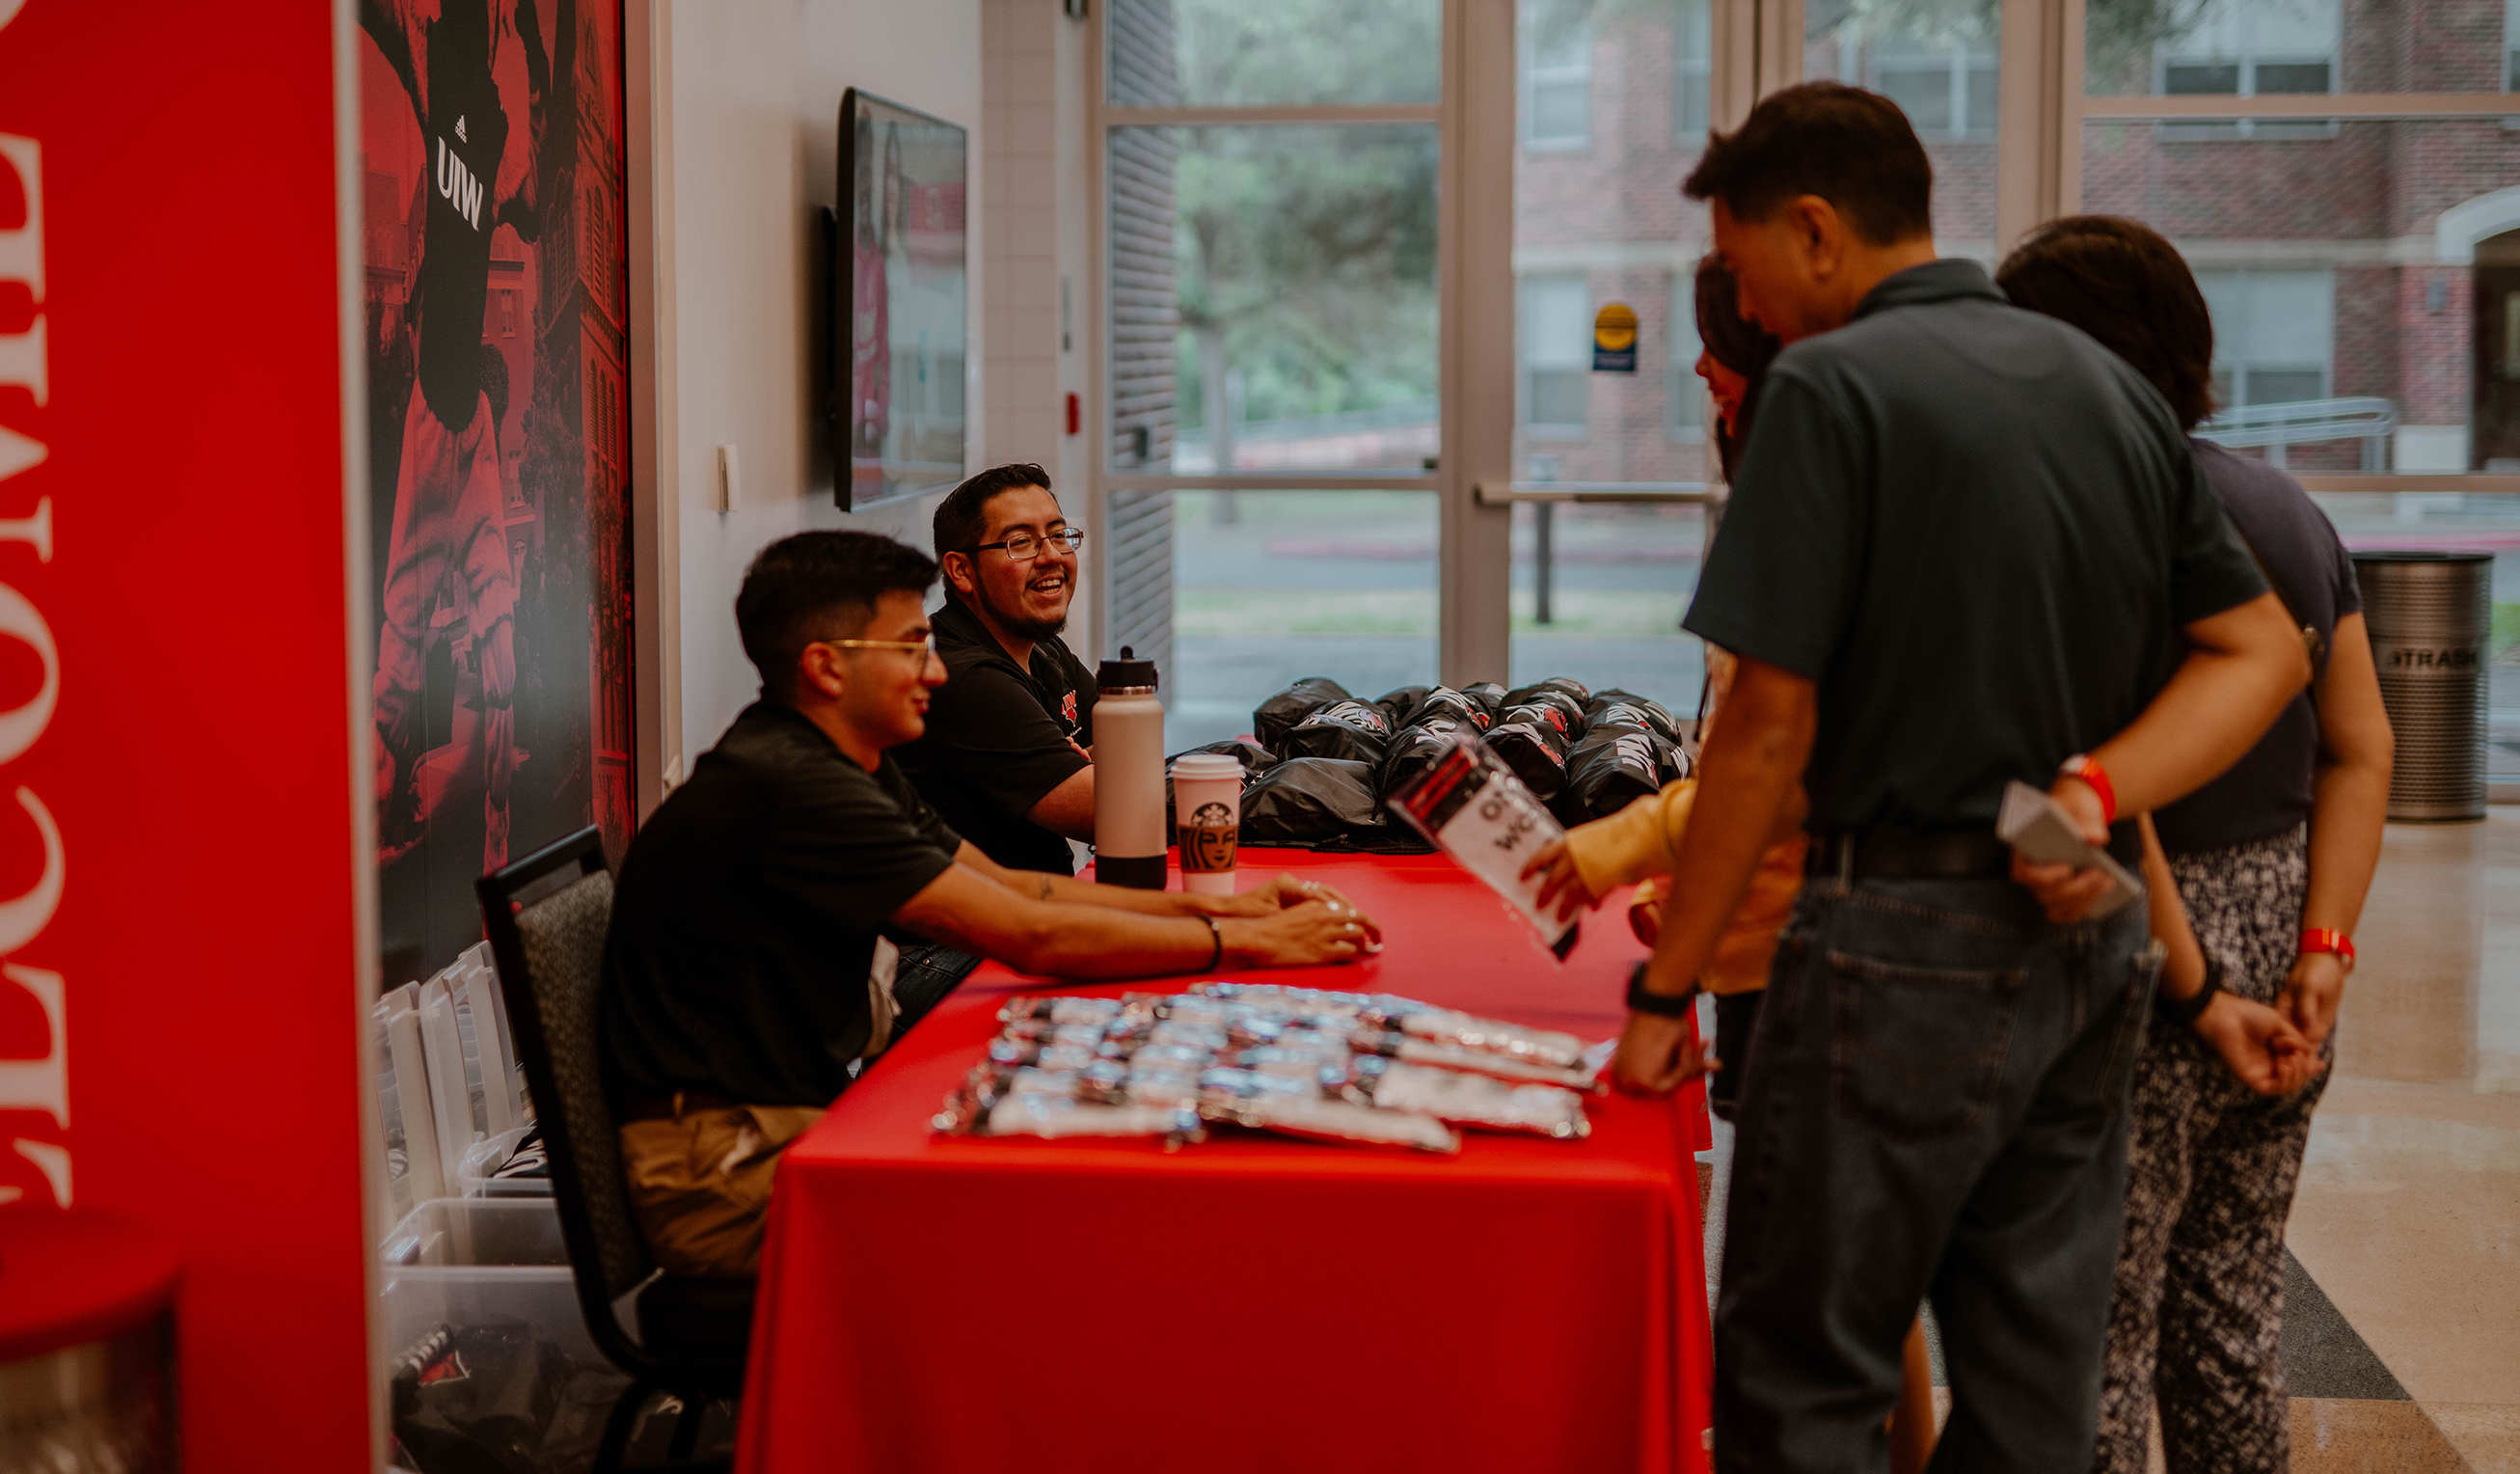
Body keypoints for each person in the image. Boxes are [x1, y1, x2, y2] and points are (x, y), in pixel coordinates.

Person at [1623, 83, 2312, 1471]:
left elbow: (1765, 731)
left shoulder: (1829, 388)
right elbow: (2262, 654)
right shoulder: (2107, 393)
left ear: (1815, 230)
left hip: (1894, 945)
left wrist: (1667, 988)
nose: (1750, 316)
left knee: (1808, 1383)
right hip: (2085, 944)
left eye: (1750, 275)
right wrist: (2097, 790)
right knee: (2032, 1384)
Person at [600, 531, 1378, 1279]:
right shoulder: (794, 788)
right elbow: (1035, 936)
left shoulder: (836, 759)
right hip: (724, 1171)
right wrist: (1253, 947)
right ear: (826, 668)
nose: (935, 674)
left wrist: (1238, 914)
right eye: (912, 647)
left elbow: (1017, 886)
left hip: (778, 1118)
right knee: (1057, 1224)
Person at [1528, 254, 1944, 1473]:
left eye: (1722, 343)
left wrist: (1632, 852)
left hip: (1812, 950)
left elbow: (1783, 758)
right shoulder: (1812, 480)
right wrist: (1680, 883)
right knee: (1857, 1276)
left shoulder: (1826, 492)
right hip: (1775, 931)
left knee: (1818, 1287)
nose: (1704, 367)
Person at [1997, 215, 2392, 1474]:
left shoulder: (2102, 515)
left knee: (2096, 1332)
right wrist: (2324, 947)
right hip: (2287, 923)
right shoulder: (2282, 505)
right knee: (2229, 1312)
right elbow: (2361, 745)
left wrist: (2197, 986)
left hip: (2156, 948)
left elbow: (2109, 799)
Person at [362, 0, 571, 870]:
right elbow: (392, 30)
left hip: (460, 411)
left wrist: (529, 28)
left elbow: (536, 196)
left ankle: (490, 861)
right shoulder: (449, 97)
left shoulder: (480, 136)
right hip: (441, 406)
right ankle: (380, 822)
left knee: (488, 638)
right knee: (413, 644)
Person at [896, 464, 1097, 874]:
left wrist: (1100, 769)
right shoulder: (965, 677)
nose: (1052, 556)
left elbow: (1134, 745)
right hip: (969, 932)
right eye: (1020, 542)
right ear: (961, 571)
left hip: (1031, 908)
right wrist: (1096, 772)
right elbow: (1105, 812)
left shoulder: (1043, 649)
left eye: (1059, 535)